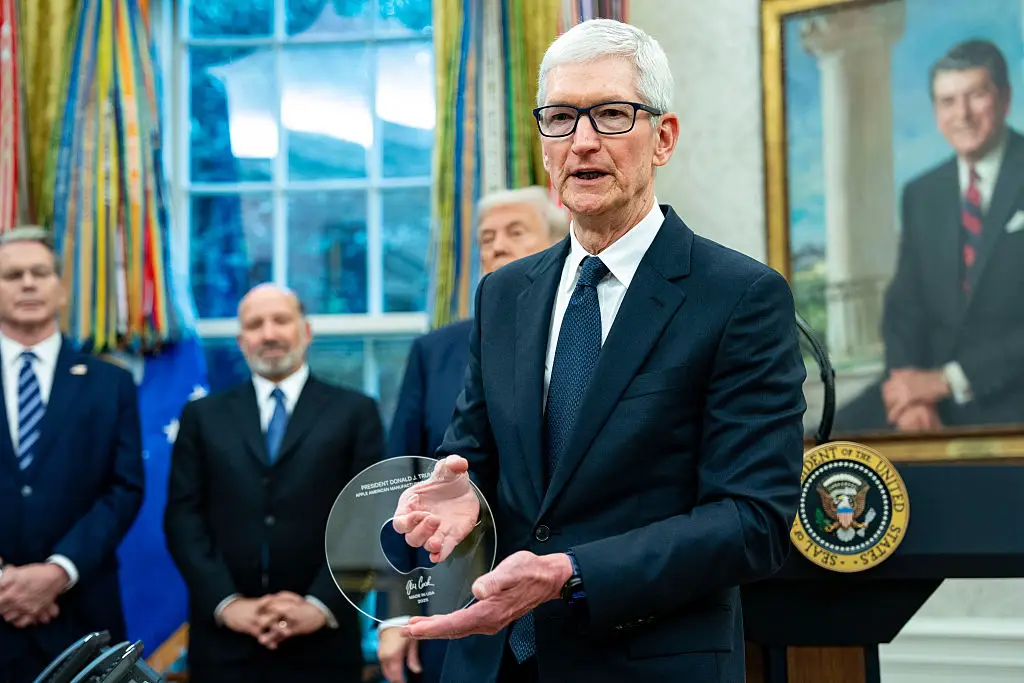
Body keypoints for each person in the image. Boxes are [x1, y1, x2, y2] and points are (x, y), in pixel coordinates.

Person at [390, 19, 807, 683]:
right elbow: (475, 458)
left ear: (663, 138)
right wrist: (461, 496)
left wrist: (571, 573)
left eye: (612, 114)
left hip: (647, 663)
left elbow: (752, 521)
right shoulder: (504, 294)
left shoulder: (738, 296)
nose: (582, 140)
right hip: (491, 661)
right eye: (560, 117)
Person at [379, 187, 569, 683]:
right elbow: (406, 478)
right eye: (487, 238)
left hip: (575, 602)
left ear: (557, 243)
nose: (498, 247)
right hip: (457, 599)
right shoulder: (436, 351)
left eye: (514, 232)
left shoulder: (593, 336)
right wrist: (398, 607)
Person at [164, 283, 385, 683]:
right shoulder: (202, 417)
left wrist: (319, 604)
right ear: (241, 340)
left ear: (306, 331)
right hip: (224, 643)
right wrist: (228, 604)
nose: (269, 333)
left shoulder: (356, 411)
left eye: (281, 320)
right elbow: (183, 518)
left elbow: (368, 518)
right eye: (255, 324)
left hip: (324, 643)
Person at [836, 39, 1024, 433]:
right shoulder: (923, 193)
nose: (963, 114)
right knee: (825, 443)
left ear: (1005, 98)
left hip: (1008, 390)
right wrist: (907, 392)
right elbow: (905, 306)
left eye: (976, 95)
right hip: (927, 390)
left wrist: (949, 380)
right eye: (947, 101)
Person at [0, 226, 144, 682]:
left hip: (82, 620)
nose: (27, 283)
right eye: (12, 274)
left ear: (61, 289)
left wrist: (57, 573)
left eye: (40, 272)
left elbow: (124, 488)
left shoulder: (111, 382)